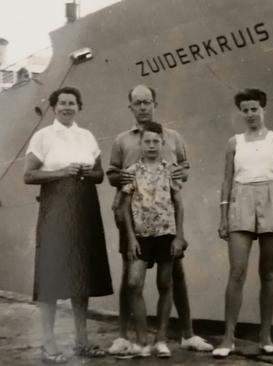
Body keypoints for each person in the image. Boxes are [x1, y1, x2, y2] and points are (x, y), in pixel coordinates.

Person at [107, 85, 213, 355]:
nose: (143, 107)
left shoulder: (174, 137)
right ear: (130, 107)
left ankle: (187, 333)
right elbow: (112, 175)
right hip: (131, 215)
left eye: (147, 102)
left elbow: (185, 169)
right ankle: (123, 336)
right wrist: (126, 178)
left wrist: (174, 178)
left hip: (166, 220)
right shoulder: (122, 140)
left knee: (176, 276)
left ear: (155, 103)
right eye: (137, 103)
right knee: (130, 278)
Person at [23, 86, 113, 363]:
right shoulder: (43, 137)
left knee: (82, 274)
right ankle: (48, 342)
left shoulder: (86, 136)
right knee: (51, 273)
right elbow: (28, 175)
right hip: (56, 209)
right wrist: (62, 172)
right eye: (62, 103)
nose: (66, 107)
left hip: (84, 208)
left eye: (72, 103)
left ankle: (81, 340)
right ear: (53, 107)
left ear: (78, 106)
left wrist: (88, 171)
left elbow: (100, 175)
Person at [213, 88, 273, 357]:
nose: (250, 114)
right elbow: (227, 180)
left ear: (264, 109)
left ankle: (266, 337)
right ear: (241, 112)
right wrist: (224, 216)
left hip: (272, 199)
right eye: (245, 110)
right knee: (237, 272)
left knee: (268, 272)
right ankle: (228, 339)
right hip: (241, 201)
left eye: (254, 109)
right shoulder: (233, 142)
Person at [119, 122, 184, 358]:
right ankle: (142, 341)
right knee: (134, 283)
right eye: (147, 141)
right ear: (140, 143)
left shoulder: (170, 170)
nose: (152, 145)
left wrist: (179, 235)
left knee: (165, 285)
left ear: (162, 143)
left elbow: (178, 203)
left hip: (166, 233)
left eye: (156, 141)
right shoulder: (132, 171)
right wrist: (130, 238)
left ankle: (161, 340)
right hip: (141, 236)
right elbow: (124, 207)